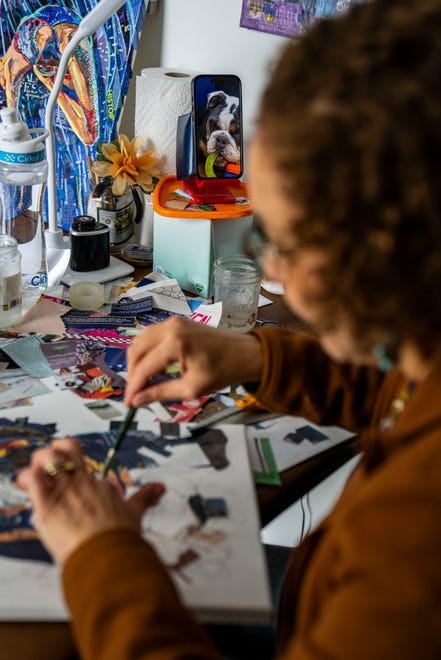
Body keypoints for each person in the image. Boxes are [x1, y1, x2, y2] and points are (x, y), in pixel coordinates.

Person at [17, 0, 441, 657]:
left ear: (388, 258)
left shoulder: (414, 539)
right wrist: (254, 359)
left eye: (283, 240)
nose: (268, 264)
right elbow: (399, 391)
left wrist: (104, 553)